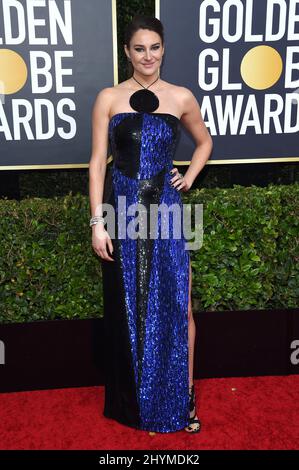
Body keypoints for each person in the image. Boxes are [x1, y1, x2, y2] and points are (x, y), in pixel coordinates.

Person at [89, 14, 213, 434]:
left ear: (164, 50)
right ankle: (136, 396)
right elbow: (96, 163)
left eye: (154, 47)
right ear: (127, 52)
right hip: (122, 210)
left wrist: (190, 175)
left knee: (177, 301)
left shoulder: (180, 97)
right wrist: (97, 222)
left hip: (167, 210)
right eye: (139, 48)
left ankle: (185, 394)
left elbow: (205, 142)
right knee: (131, 304)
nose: (147, 55)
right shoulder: (109, 97)